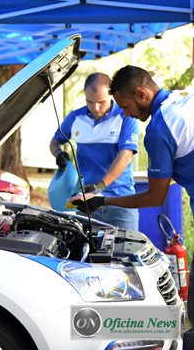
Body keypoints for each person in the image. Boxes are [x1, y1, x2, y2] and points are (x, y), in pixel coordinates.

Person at [72, 65, 194, 342]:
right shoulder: (183, 101)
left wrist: (103, 200)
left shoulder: (159, 128)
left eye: (125, 106)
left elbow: (155, 197)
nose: (125, 114)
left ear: (141, 94)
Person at [49, 72, 140, 230]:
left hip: (120, 201)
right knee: (88, 252)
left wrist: (101, 185)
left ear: (111, 94)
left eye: (101, 102)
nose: (96, 108)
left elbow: (125, 155)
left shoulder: (125, 116)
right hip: (87, 203)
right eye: (90, 102)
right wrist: (59, 153)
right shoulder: (75, 118)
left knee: (125, 252)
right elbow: (54, 141)